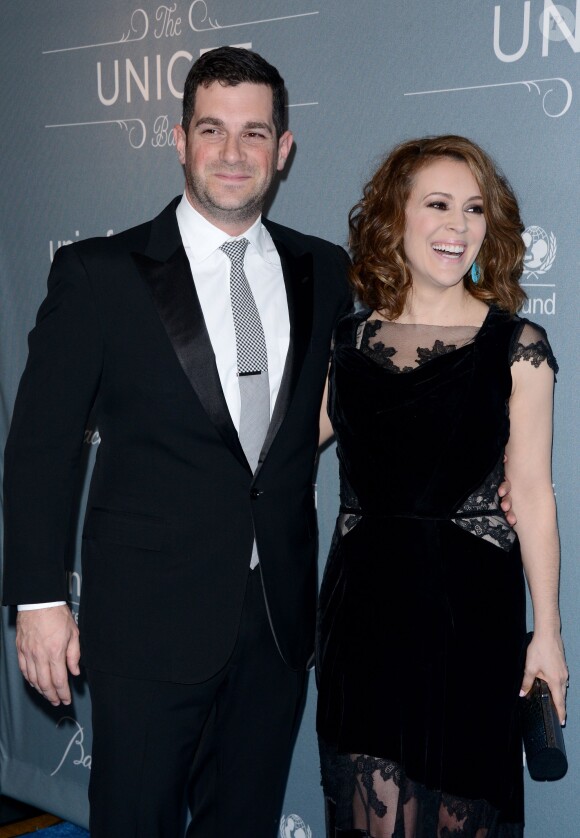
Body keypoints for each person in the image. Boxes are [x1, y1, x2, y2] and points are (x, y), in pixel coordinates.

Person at [2, 47, 353, 837]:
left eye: (255, 133)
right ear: (179, 138)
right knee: (137, 823)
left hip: (274, 620)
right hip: (147, 622)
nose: (234, 154)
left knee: (244, 821)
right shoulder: (99, 274)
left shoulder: (324, 271)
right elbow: (40, 446)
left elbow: (343, 408)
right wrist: (39, 601)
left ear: (284, 149)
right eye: (213, 130)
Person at [315, 136, 568, 837]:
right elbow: (268, 463)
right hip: (361, 619)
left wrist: (546, 635)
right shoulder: (346, 345)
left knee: (461, 811)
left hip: (470, 621)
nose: (458, 226)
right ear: (395, 218)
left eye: (475, 209)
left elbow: (536, 496)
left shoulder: (518, 347)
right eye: (437, 205)